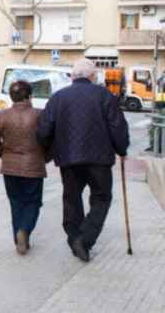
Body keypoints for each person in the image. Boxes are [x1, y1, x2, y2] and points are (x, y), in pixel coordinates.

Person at [37, 58, 129, 263]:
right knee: (102, 198)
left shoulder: (58, 97)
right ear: (93, 76)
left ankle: (75, 237)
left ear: (72, 76)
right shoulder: (104, 95)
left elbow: (43, 129)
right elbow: (117, 126)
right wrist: (122, 149)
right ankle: (85, 239)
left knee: (71, 198)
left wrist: (49, 149)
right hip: (100, 159)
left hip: (68, 158)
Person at [0, 81, 47, 255]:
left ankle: (19, 238)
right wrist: (43, 157)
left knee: (16, 202)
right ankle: (25, 231)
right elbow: (50, 139)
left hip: (10, 167)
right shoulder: (39, 115)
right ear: (30, 96)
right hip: (33, 166)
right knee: (33, 202)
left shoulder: (2, 115)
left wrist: (4, 154)